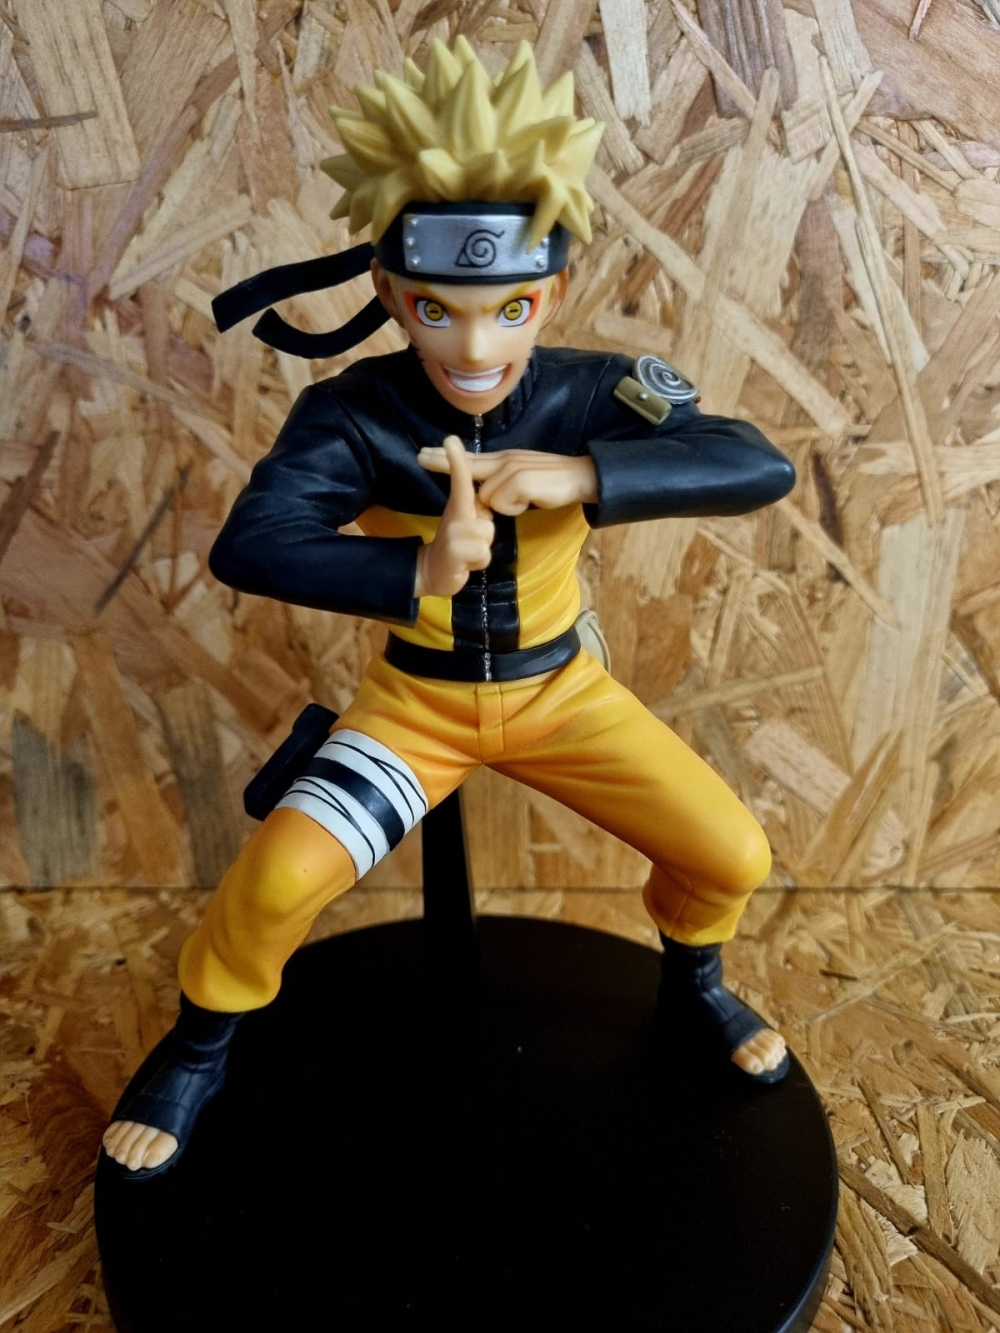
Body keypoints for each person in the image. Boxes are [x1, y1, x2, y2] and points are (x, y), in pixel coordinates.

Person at [103, 37, 796, 1180]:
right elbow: (250, 541)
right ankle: (199, 1043)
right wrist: (416, 567)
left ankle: (695, 981)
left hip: (562, 696)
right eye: (436, 307)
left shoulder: (595, 392)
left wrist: (584, 473)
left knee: (730, 849)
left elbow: (756, 462)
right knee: (274, 880)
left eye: (510, 306)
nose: (475, 348)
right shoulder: (353, 412)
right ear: (388, 293)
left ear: (551, 293)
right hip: (412, 710)